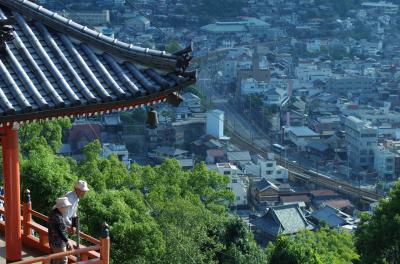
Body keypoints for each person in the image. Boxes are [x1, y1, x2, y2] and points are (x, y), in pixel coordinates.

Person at [48, 197, 74, 264]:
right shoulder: (57, 217)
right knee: (63, 259)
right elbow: (60, 231)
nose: (67, 209)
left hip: (54, 241)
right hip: (58, 242)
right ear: (61, 207)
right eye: (66, 207)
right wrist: (67, 241)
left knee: (56, 260)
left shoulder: (55, 214)